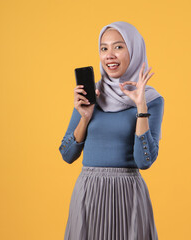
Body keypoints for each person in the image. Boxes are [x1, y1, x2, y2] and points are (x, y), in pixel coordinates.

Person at [59, 21, 164, 240]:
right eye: (104, 48)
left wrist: (140, 106)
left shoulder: (152, 100)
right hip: (89, 195)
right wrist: (85, 118)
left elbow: (144, 161)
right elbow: (67, 154)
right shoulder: (90, 96)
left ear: (134, 51)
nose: (109, 55)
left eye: (118, 47)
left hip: (129, 196)